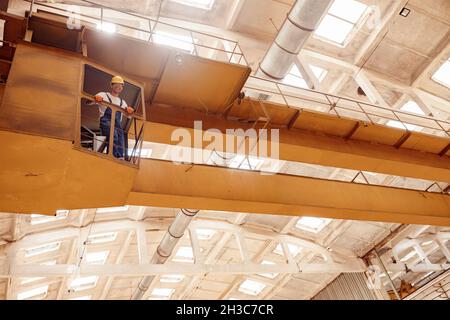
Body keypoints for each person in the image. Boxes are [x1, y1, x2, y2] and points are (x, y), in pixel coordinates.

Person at [94, 75, 134, 159]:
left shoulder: (122, 102)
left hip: (117, 124)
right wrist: (95, 99)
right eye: (116, 84)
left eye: (120, 85)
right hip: (106, 122)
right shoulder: (103, 95)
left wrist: (130, 111)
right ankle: (113, 156)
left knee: (120, 138)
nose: (118, 87)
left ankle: (119, 157)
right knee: (113, 136)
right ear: (111, 85)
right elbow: (88, 102)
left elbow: (129, 116)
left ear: (122, 88)